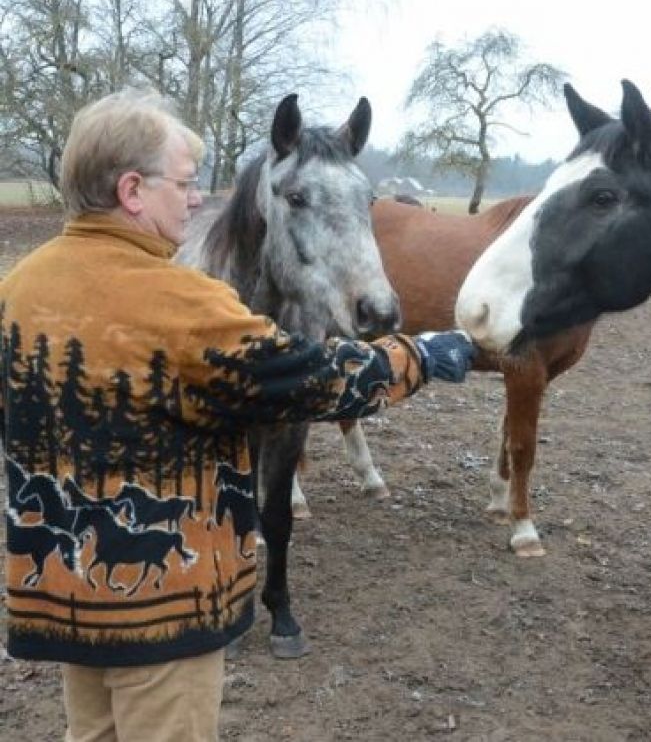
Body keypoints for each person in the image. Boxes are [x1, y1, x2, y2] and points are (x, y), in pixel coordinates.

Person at [0, 90, 476, 741]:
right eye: (185, 184)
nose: (197, 199)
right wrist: (421, 355)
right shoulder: (181, 300)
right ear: (133, 191)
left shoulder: (19, 286)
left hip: (64, 593)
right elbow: (304, 380)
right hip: (162, 614)